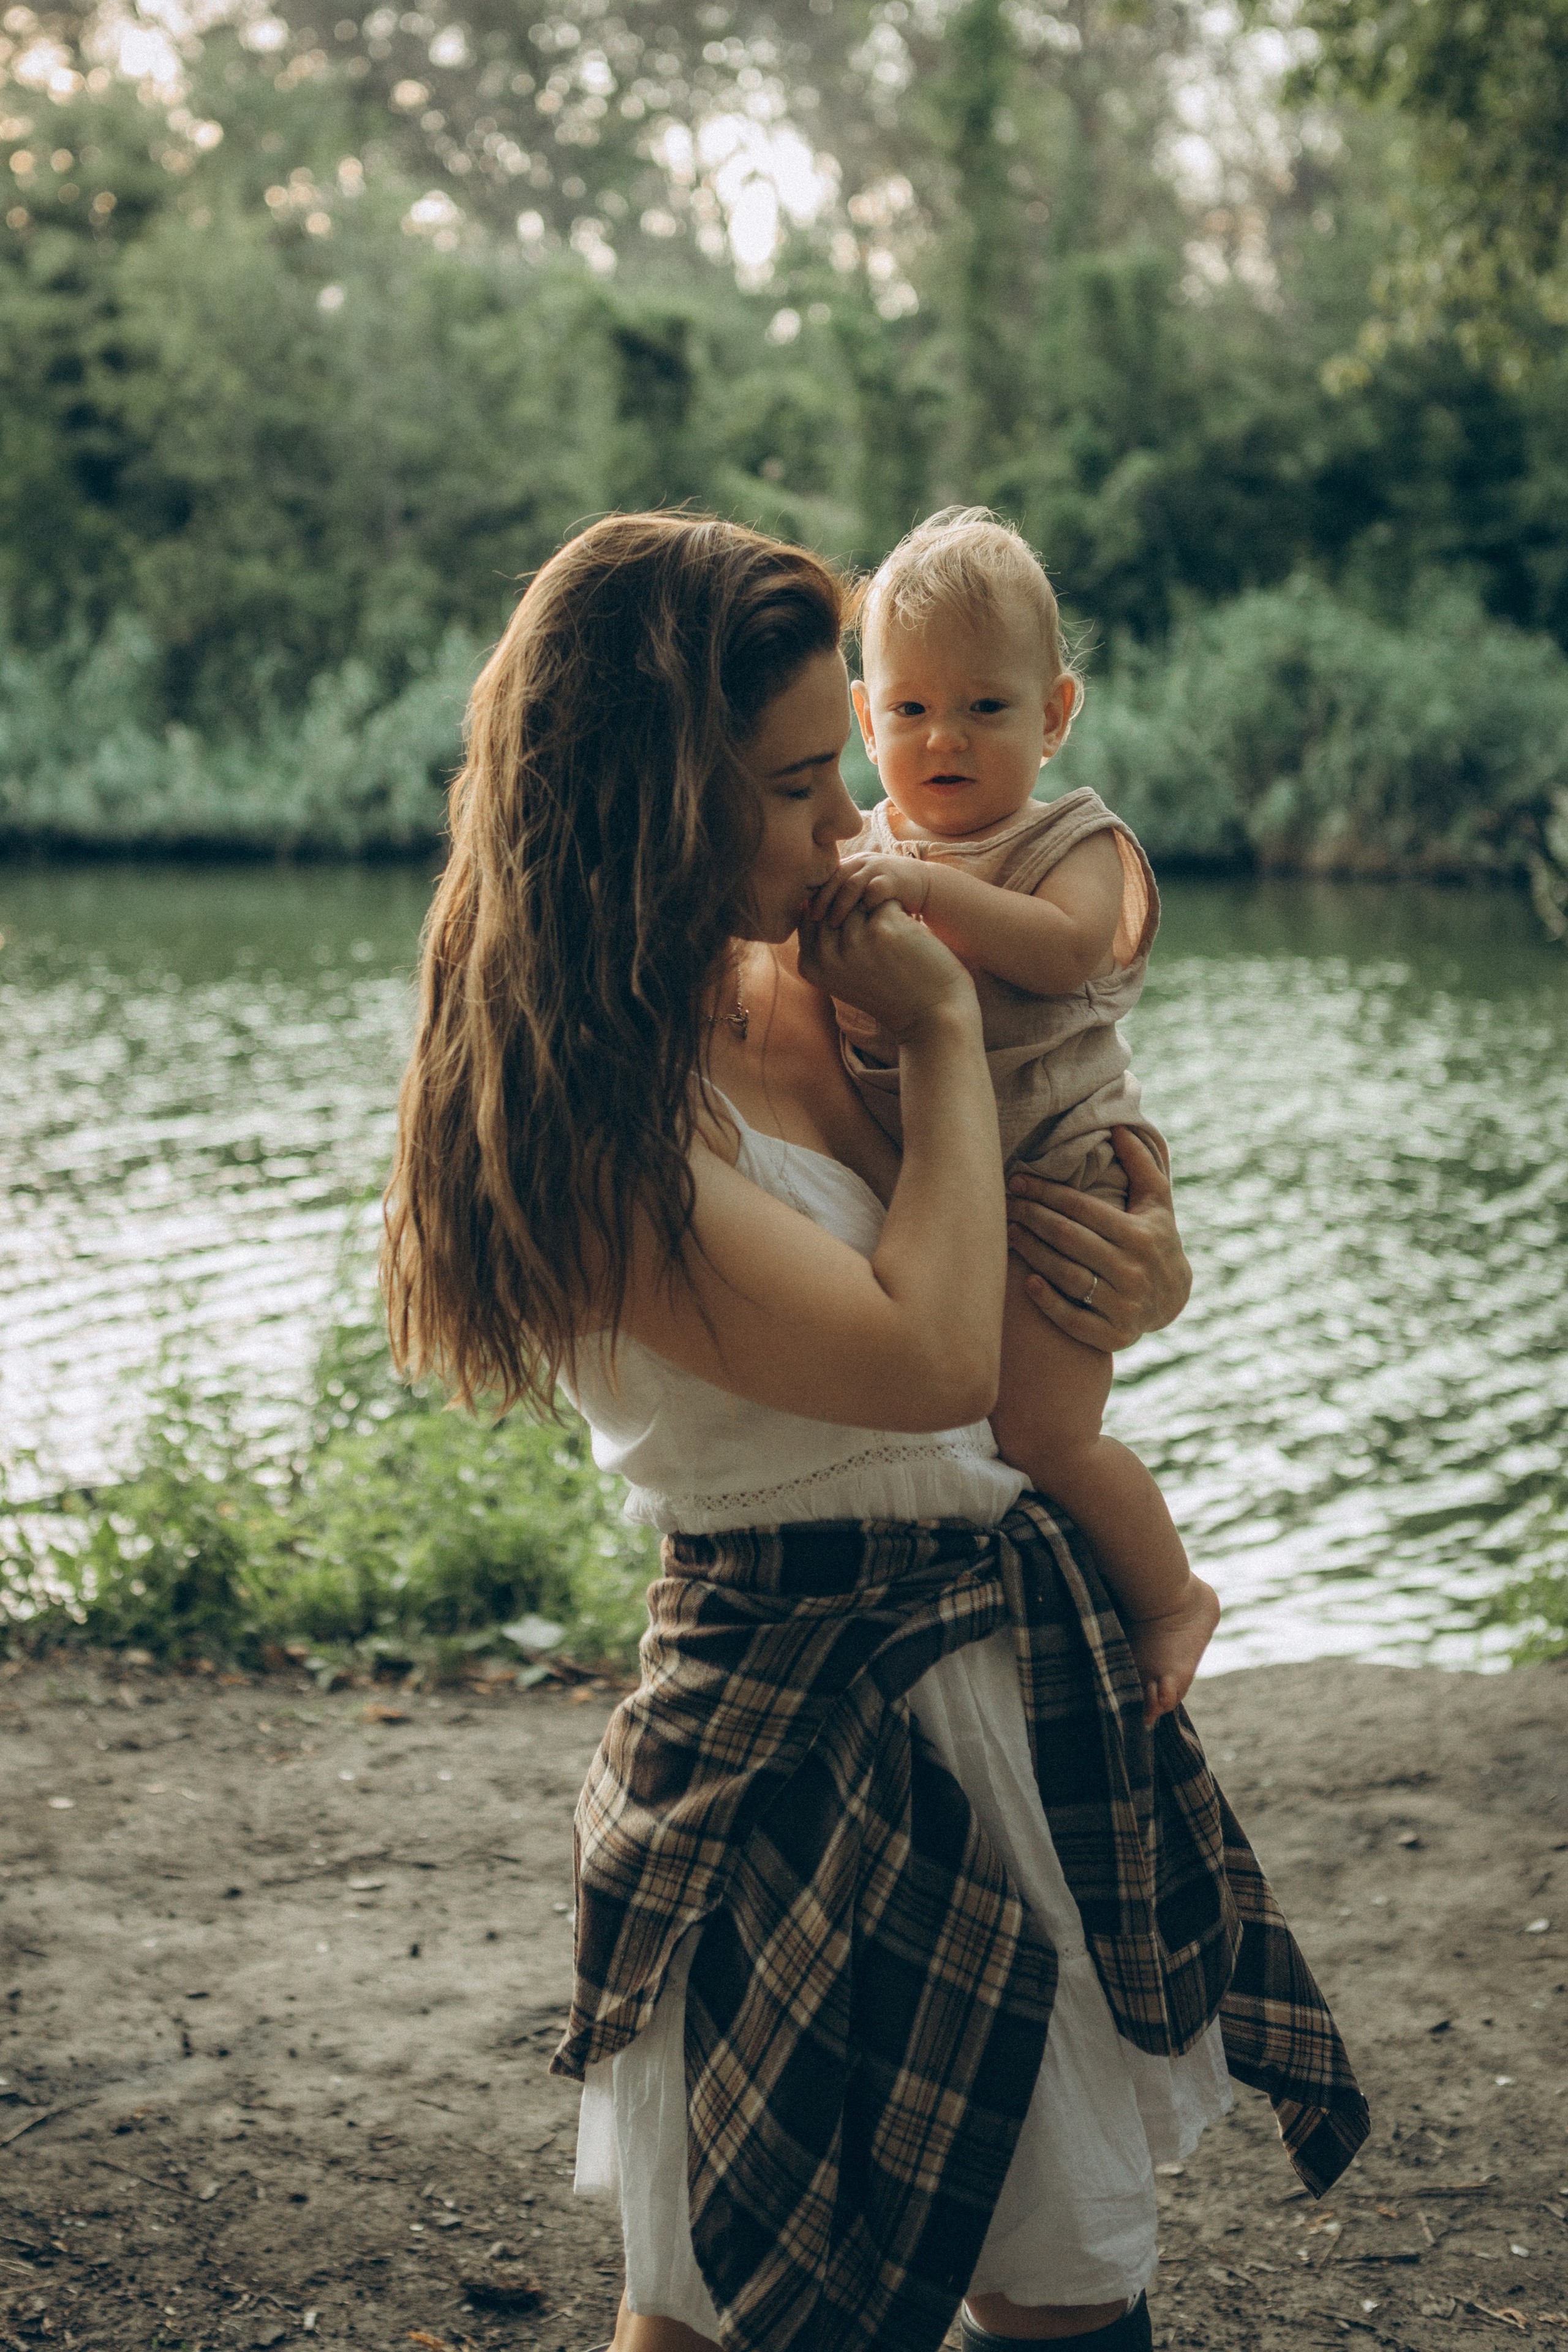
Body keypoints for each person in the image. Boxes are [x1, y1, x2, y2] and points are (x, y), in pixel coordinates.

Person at [382, 513, 1367, 2352]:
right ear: (644, 804)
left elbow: (987, 1285)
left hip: (1008, 1684)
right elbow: (920, 1357)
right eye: (786, 789)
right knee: (737, 2309)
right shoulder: (593, 1120)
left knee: (1069, 2292)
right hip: (788, 1733)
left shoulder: (799, 984)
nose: (852, 826)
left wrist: (1133, 1276)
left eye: (838, 767)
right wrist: (928, 1035)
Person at [822, 508, 1213, 1729]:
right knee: (971, 1423)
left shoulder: (1068, 838)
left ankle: (1170, 1598)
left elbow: (1057, 952)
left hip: (1057, 1182)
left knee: (1045, 1433)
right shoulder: (864, 843)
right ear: (862, 718)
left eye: (984, 710)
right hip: (954, 1186)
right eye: (909, 711)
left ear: (1051, 715)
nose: (942, 739)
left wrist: (922, 888)